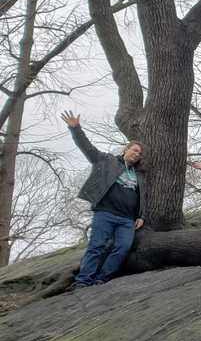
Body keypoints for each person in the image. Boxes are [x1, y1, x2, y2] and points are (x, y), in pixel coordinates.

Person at [61, 111, 145, 289]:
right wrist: (76, 129)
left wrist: (141, 215)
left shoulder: (138, 175)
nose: (137, 154)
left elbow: (142, 197)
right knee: (96, 246)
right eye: (134, 150)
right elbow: (88, 148)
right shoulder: (107, 161)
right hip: (105, 213)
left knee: (122, 248)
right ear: (126, 149)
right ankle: (83, 281)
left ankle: (102, 278)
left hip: (127, 220)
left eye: (139, 153)